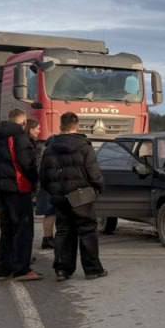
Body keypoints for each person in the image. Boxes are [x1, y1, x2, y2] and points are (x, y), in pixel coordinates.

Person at [40, 112, 106, 282]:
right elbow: (93, 171)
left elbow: (44, 176)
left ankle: (62, 269)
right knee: (87, 231)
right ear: (76, 125)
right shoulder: (84, 145)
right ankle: (92, 269)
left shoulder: (50, 147)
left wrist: (53, 191)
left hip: (60, 196)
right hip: (81, 195)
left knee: (63, 231)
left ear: (61, 125)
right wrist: (98, 188)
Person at [0, 108, 41, 281]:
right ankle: (21, 269)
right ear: (23, 122)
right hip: (19, 187)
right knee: (23, 229)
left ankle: (4, 268)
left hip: (1, 188)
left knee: (7, 229)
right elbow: (27, 163)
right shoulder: (19, 137)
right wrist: (34, 181)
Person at [28, 118, 57, 251]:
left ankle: (47, 238)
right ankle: (48, 238)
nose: (39, 131)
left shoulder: (41, 151)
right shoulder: (49, 155)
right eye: (37, 128)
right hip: (48, 187)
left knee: (49, 213)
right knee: (51, 213)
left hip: (44, 187)